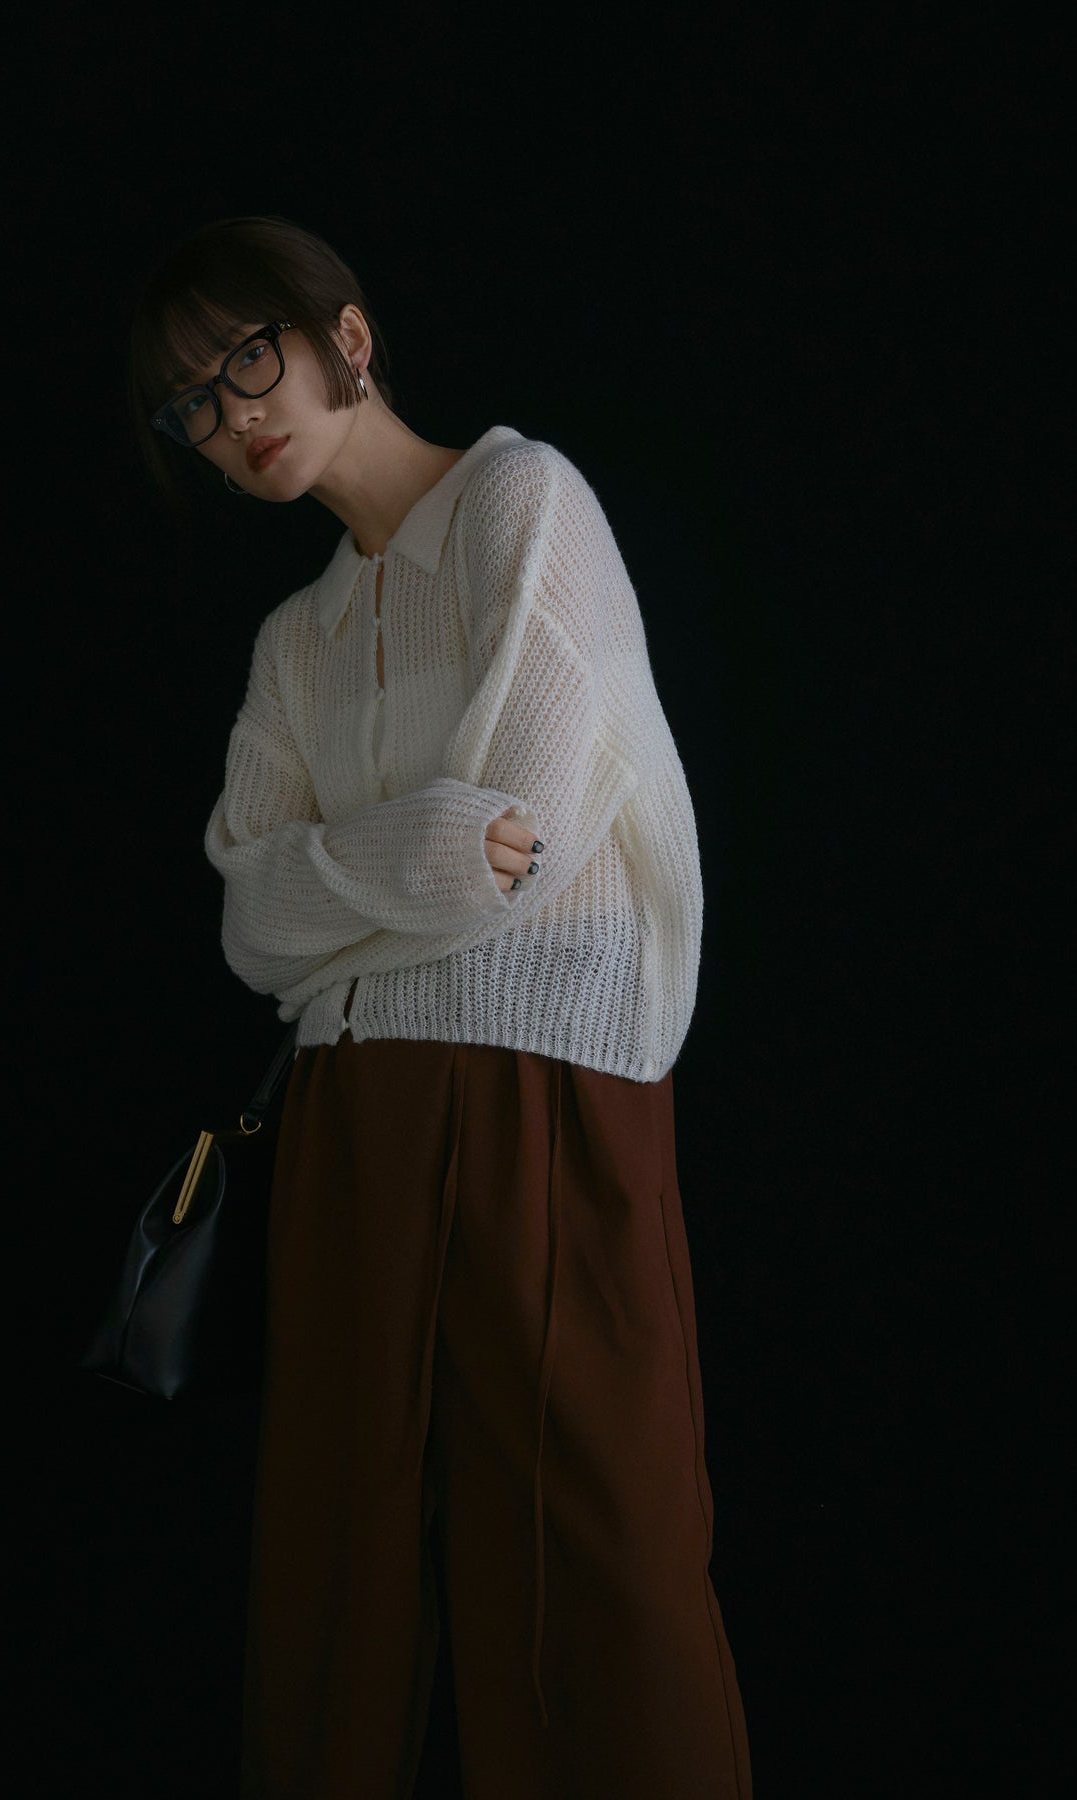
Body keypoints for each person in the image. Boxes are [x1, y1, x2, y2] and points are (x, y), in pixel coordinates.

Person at [128, 214, 752, 1800]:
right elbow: (250, 922)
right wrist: (417, 848)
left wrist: (360, 883)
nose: (228, 414)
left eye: (244, 358)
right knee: (339, 1558)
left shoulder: (518, 502)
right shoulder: (294, 642)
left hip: (544, 1084)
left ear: (344, 336)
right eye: (190, 404)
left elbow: (519, 848)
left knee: (593, 1550)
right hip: (352, 1105)